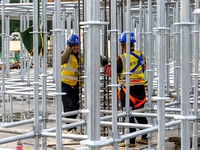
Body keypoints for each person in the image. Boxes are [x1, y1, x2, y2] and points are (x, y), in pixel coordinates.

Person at [101, 31, 148, 147]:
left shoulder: (121, 58)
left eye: (121, 44)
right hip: (141, 89)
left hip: (128, 90)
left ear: (124, 45)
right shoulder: (141, 56)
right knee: (140, 113)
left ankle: (130, 140)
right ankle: (145, 137)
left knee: (128, 114)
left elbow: (112, 73)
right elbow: (143, 68)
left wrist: (105, 65)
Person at [61, 33, 80, 134]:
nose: (76, 47)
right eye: (74, 46)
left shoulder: (79, 57)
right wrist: (68, 47)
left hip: (75, 85)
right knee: (69, 107)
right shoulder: (66, 55)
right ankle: (70, 129)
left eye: (77, 45)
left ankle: (73, 128)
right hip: (65, 85)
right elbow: (62, 59)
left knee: (76, 107)